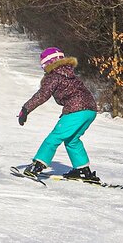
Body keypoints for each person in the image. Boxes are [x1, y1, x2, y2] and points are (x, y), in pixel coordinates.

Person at [17, 47, 100, 181]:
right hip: (90, 110)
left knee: (55, 137)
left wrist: (25, 109)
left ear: (50, 63)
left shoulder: (54, 75)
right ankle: (82, 170)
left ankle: (36, 166)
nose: (43, 69)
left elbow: (42, 95)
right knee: (72, 140)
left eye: (43, 65)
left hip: (76, 110)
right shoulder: (69, 73)